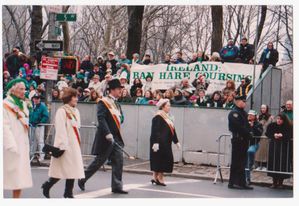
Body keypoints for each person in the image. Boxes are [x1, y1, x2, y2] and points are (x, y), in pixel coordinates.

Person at [78, 79, 128, 194]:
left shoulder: (117, 104)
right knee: (99, 161)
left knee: (118, 161)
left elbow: (121, 118)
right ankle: (83, 178)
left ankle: (117, 186)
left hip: (116, 136)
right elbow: (101, 118)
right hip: (107, 137)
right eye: (119, 89)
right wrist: (107, 133)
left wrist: (121, 119)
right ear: (113, 90)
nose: (121, 91)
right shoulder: (103, 102)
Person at [42, 87, 85, 198]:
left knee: (72, 168)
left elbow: (77, 127)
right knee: (61, 168)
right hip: (65, 144)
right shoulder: (62, 111)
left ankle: (68, 193)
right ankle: (48, 185)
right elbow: (60, 129)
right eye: (74, 97)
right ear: (69, 98)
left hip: (74, 144)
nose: (76, 99)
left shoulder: (76, 111)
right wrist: (62, 146)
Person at [3, 79, 33, 198]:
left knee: (18, 179)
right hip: (10, 146)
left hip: (22, 145)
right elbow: (4, 126)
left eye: (24, 89)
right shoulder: (5, 104)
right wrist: (11, 145)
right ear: (13, 89)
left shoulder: (24, 104)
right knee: (7, 176)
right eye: (21, 89)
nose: (23, 91)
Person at [150, 98, 181, 186]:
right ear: (163, 107)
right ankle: (160, 178)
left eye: (169, 105)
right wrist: (155, 142)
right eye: (168, 106)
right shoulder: (158, 116)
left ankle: (154, 177)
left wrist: (176, 141)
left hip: (166, 142)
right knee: (162, 159)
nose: (169, 107)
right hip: (159, 142)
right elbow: (155, 130)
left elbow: (172, 130)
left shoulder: (168, 116)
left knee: (161, 159)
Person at [227, 95, 253, 190]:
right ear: (237, 102)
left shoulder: (244, 113)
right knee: (236, 161)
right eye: (243, 101)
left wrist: (250, 131)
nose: (244, 103)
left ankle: (241, 183)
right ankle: (232, 182)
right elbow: (239, 127)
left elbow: (248, 125)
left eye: (245, 101)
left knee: (242, 162)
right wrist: (248, 133)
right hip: (238, 139)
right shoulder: (234, 113)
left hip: (244, 140)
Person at [265, 114, 293, 189]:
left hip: (284, 148)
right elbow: (267, 133)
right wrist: (274, 135)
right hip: (274, 147)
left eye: (280, 119)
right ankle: (274, 182)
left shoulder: (288, 126)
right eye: (277, 119)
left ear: (283, 120)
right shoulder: (272, 125)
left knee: (282, 164)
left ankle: (280, 183)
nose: (278, 120)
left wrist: (282, 135)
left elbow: (290, 135)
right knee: (273, 163)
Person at [245, 110, 263, 185]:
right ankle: (247, 179)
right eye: (249, 115)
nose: (250, 116)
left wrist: (253, 126)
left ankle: (252, 163)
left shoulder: (258, 124)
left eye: (252, 115)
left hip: (254, 143)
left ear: (255, 116)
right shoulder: (245, 122)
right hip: (245, 144)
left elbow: (260, 133)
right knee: (246, 164)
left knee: (251, 151)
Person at [29, 94, 49, 161]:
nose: (36, 100)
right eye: (35, 98)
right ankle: (31, 155)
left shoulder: (42, 107)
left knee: (40, 141)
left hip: (39, 126)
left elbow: (46, 116)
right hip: (32, 125)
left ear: (39, 99)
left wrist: (40, 123)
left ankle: (41, 156)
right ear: (33, 99)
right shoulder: (32, 106)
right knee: (32, 141)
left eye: (37, 98)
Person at [255, 104, 274, 170]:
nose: (263, 109)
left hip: (266, 136)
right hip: (259, 135)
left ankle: (265, 165)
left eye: (264, 108)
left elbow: (272, 126)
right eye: (262, 108)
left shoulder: (270, 117)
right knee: (258, 151)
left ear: (267, 109)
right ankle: (259, 165)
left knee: (265, 151)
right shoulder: (258, 117)